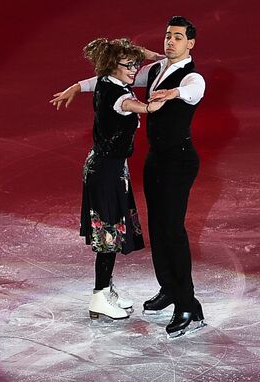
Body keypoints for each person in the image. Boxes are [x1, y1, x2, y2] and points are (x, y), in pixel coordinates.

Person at [52, 16, 206, 338]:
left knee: (173, 230)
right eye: (167, 36)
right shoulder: (154, 70)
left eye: (178, 37)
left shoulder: (193, 77)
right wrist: (77, 86)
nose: (170, 41)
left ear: (190, 43)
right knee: (157, 228)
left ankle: (188, 305)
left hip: (179, 162)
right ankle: (168, 288)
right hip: (155, 161)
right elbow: (108, 80)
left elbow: (193, 92)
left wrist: (172, 93)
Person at [76, 38, 165, 321]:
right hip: (105, 172)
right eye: (129, 65)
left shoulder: (106, 81)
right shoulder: (119, 96)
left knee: (110, 234)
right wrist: (164, 99)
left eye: (135, 64)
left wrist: (146, 55)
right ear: (113, 66)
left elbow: (96, 80)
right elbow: (138, 106)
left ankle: (105, 289)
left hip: (108, 167)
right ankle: (99, 296)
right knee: (108, 236)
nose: (135, 70)